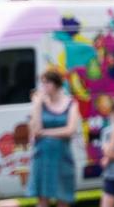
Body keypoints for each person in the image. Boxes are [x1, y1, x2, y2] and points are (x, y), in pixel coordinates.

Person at [27, 70, 80, 207]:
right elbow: (36, 130)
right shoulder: (41, 104)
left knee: (63, 197)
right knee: (42, 199)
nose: (44, 86)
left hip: (62, 156)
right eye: (42, 83)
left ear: (57, 84)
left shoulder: (71, 103)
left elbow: (70, 130)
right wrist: (37, 104)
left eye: (47, 82)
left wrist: (45, 132)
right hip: (42, 156)